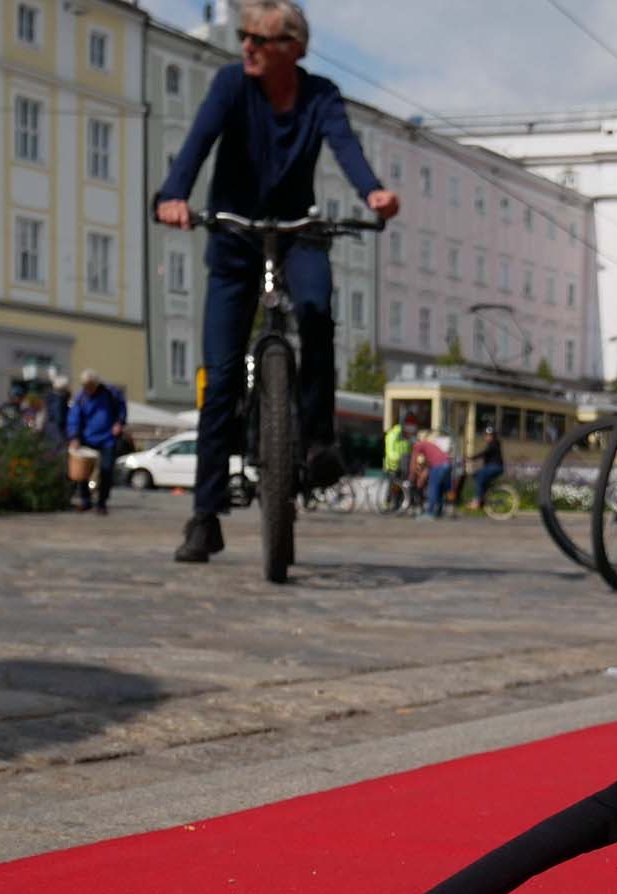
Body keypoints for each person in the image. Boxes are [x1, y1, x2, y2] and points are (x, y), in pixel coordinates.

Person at [155, 0, 400, 564]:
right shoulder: (230, 86)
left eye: (258, 39)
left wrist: (373, 192)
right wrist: (173, 195)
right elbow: (198, 143)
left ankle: (316, 440)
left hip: (297, 231)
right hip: (234, 235)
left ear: (293, 49)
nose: (246, 46)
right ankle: (205, 517)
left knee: (316, 314)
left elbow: (346, 147)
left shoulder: (321, 96)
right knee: (221, 377)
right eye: (244, 36)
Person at [67, 368, 126, 514]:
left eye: (90, 385)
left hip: (107, 438)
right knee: (82, 470)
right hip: (87, 438)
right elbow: (74, 418)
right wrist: (74, 437)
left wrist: (119, 423)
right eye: (85, 385)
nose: (87, 388)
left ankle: (101, 502)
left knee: (106, 470)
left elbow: (121, 408)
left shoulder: (110, 394)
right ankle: (85, 499)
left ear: (96, 383)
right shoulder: (81, 398)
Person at [465, 426, 504, 508]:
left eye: (490, 435)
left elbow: (484, 453)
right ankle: (483, 498)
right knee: (476, 475)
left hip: (495, 467)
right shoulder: (491, 444)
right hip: (492, 467)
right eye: (486, 435)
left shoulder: (494, 444)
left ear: (494, 436)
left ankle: (477, 501)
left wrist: (471, 458)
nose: (488, 437)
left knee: (480, 477)